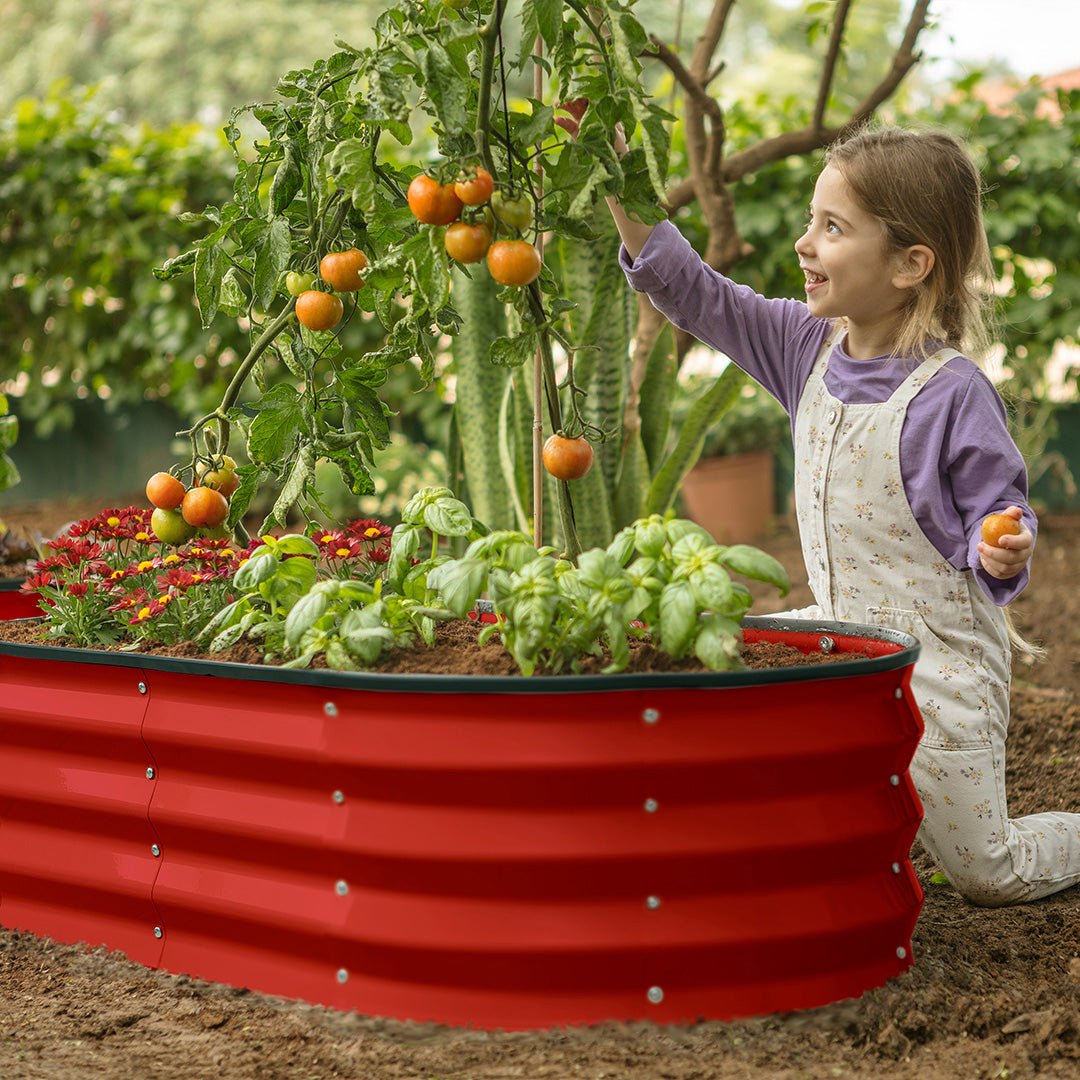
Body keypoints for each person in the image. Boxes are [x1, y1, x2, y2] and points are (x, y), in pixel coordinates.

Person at [609, 123, 1080, 906]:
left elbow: (1000, 509)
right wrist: (618, 168)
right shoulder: (805, 346)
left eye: (832, 228)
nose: (804, 243)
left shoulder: (952, 393)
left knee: (987, 873)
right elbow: (691, 289)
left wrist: (1004, 544)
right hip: (841, 634)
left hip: (938, 667)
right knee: (713, 669)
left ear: (909, 264)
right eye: (810, 221)